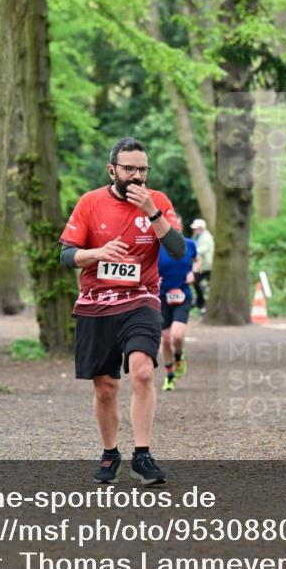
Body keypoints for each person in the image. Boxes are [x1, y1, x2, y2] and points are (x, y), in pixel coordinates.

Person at [59, 137, 186, 485]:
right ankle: (110, 452)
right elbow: (66, 256)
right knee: (105, 387)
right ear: (112, 170)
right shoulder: (90, 203)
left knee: (143, 372)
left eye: (143, 169)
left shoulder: (157, 201)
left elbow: (176, 250)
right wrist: (97, 253)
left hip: (142, 299)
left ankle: (142, 456)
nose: (137, 176)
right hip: (96, 303)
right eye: (129, 169)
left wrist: (152, 213)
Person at [157, 217, 199, 391]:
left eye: (176, 223)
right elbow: (146, 266)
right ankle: (169, 376)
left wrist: (192, 272)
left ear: (180, 226)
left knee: (177, 335)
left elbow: (197, 260)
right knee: (165, 340)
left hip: (183, 295)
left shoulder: (189, 244)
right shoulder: (156, 246)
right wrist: (153, 278)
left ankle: (179, 357)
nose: (173, 226)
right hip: (162, 296)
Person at [190, 218, 214, 313]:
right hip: (200, 266)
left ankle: (202, 303)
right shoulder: (196, 236)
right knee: (196, 283)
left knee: (199, 283)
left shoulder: (206, 237)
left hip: (206, 267)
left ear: (201, 228)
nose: (194, 230)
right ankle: (200, 303)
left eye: (196, 228)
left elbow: (202, 249)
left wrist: (192, 252)